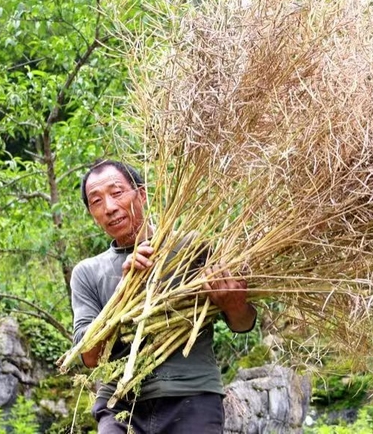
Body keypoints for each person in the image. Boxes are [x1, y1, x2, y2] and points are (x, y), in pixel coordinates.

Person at [71, 159, 257, 434]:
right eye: (96, 201)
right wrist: (124, 293)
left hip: (191, 396)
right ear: (92, 214)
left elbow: (243, 323)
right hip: (119, 405)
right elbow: (89, 357)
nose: (109, 208)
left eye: (117, 192)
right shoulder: (87, 272)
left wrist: (234, 305)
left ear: (142, 194)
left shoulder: (191, 247)